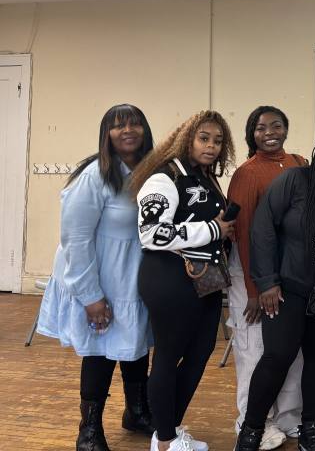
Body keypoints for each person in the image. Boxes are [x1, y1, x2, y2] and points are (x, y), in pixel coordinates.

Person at [235, 126, 315, 451]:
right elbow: (262, 226)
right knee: (277, 357)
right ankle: (251, 430)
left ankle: (311, 429)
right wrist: (266, 281)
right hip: (288, 287)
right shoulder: (296, 180)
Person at [38, 104, 155, 451]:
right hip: (99, 279)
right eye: (118, 126)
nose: (128, 130)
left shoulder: (150, 172)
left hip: (133, 278)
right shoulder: (94, 176)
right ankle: (88, 430)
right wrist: (91, 297)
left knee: (135, 347)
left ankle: (136, 412)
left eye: (135, 124)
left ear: (145, 131)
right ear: (107, 134)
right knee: (100, 352)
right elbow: (75, 239)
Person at [131, 110, 237, 451]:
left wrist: (222, 231)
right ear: (187, 138)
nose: (211, 146)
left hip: (204, 280)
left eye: (218, 140)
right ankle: (163, 440)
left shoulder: (205, 176)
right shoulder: (165, 177)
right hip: (169, 278)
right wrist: (211, 229)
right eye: (203, 138)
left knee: (201, 352)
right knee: (168, 354)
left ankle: (169, 429)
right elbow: (151, 234)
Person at [227, 106, 308, 449]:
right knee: (254, 350)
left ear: (286, 129)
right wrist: (254, 288)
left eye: (276, 125)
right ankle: (252, 421)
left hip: (289, 272)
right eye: (261, 127)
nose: (270, 132)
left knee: (291, 350)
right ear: (252, 134)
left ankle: (290, 417)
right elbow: (243, 234)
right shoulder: (247, 173)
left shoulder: (300, 163)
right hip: (253, 274)